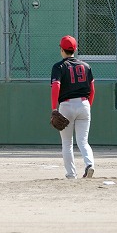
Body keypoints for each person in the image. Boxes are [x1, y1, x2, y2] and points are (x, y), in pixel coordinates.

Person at [50, 35, 95, 179]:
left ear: (61, 49)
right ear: (75, 49)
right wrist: (87, 107)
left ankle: (71, 174)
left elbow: (56, 86)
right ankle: (89, 164)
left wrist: (54, 108)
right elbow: (92, 89)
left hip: (66, 105)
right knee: (83, 141)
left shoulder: (58, 66)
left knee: (67, 143)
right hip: (84, 104)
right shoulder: (86, 66)